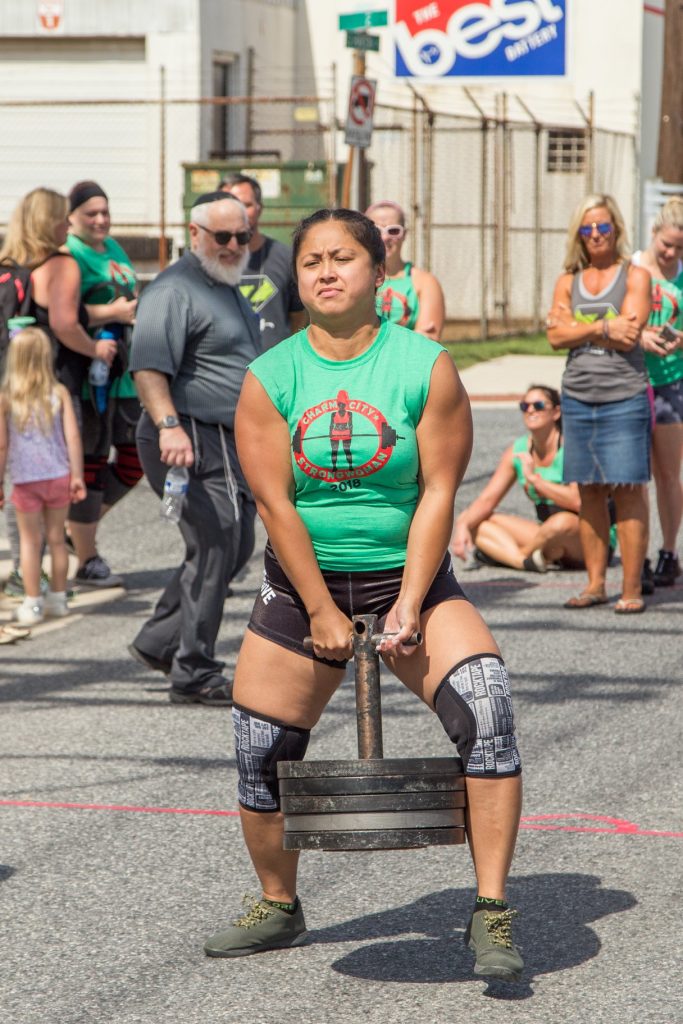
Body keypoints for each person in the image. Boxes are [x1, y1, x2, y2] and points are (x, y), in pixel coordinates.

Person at [204, 209, 524, 984]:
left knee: (487, 709)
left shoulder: (424, 365)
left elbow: (439, 489)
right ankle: (279, 903)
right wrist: (317, 610)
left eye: (342, 258)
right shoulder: (270, 377)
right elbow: (276, 507)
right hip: (301, 586)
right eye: (310, 259)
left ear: (377, 272)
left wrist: (411, 601)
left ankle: (490, 909)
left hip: (405, 577)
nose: (324, 272)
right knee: (258, 752)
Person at [128, 191, 261, 706]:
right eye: (222, 236)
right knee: (216, 541)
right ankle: (194, 671)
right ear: (195, 234)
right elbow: (148, 367)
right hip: (186, 436)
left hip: (226, 440)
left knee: (235, 544)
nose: (232, 246)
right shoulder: (174, 289)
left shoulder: (226, 284)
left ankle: (160, 641)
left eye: (241, 236)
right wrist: (168, 426)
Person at [0, 188, 118, 596]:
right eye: (61, 218)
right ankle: (54, 576)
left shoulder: (11, 264)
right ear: (49, 221)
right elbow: (66, 325)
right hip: (57, 381)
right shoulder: (60, 263)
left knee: (21, 475)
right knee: (63, 471)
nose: (67, 225)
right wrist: (97, 348)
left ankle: (22, 570)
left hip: (14, 383)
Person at [546, 193, 651, 613]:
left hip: (623, 394)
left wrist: (580, 326)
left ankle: (631, 590)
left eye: (603, 227)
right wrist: (605, 324)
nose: (595, 235)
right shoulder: (567, 280)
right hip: (577, 396)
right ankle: (595, 584)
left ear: (617, 230)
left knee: (627, 489)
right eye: (587, 229)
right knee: (589, 491)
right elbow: (554, 337)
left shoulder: (635, 275)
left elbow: (632, 330)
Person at [65, 180, 142, 585]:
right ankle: (86, 557)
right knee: (92, 461)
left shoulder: (111, 247)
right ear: (71, 216)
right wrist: (109, 311)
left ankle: (76, 528)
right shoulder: (69, 253)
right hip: (89, 373)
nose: (100, 220)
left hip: (123, 374)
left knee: (135, 460)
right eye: (91, 213)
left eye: (105, 212)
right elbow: (64, 312)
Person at [0, 327, 86, 625]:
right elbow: (73, 438)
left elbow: (1, 444)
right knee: (57, 540)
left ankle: (33, 602)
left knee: (29, 542)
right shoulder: (59, 393)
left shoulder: (7, 398)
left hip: (25, 481)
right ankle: (59, 599)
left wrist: (0, 482)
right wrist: (77, 475)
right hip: (59, 476)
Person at [450, 385, 583, 572]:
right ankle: (524, 561)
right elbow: (487, 500)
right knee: (476, 521)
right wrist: (462, 524)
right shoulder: (518, 450)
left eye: (537, 405)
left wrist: (536, 481)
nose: (530, 410)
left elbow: (578, 501)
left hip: (582, 535)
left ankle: (508, 555)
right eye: (524, 406)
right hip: (545, 533)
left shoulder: (571, 448)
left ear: (556, 412)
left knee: (561, 522)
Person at [631, 197, 683, 588]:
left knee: (667, 473)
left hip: (671, 382)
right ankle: (640, 557)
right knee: (634, 477)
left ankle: (669, 552)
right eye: (667, 244)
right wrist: (641, 336)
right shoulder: (633, 268)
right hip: (632, 379)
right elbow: (614, 320)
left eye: (680, 248)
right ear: (653, 233)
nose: (671, 253)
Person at [219, 173, 307, 349]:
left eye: (247, 204)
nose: (239, 211)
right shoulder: (206, 263)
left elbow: (300, 318)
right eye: (231, 204)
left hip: (273, 371)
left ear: (259, 209)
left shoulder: (286, 257)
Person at [365, 199, 445, 340]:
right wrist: (413, 337)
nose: (384, 237)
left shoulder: (425, 282)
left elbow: (428, 340)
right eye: (376, 230)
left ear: (404, 234)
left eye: (393, 230)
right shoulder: (356, 279)